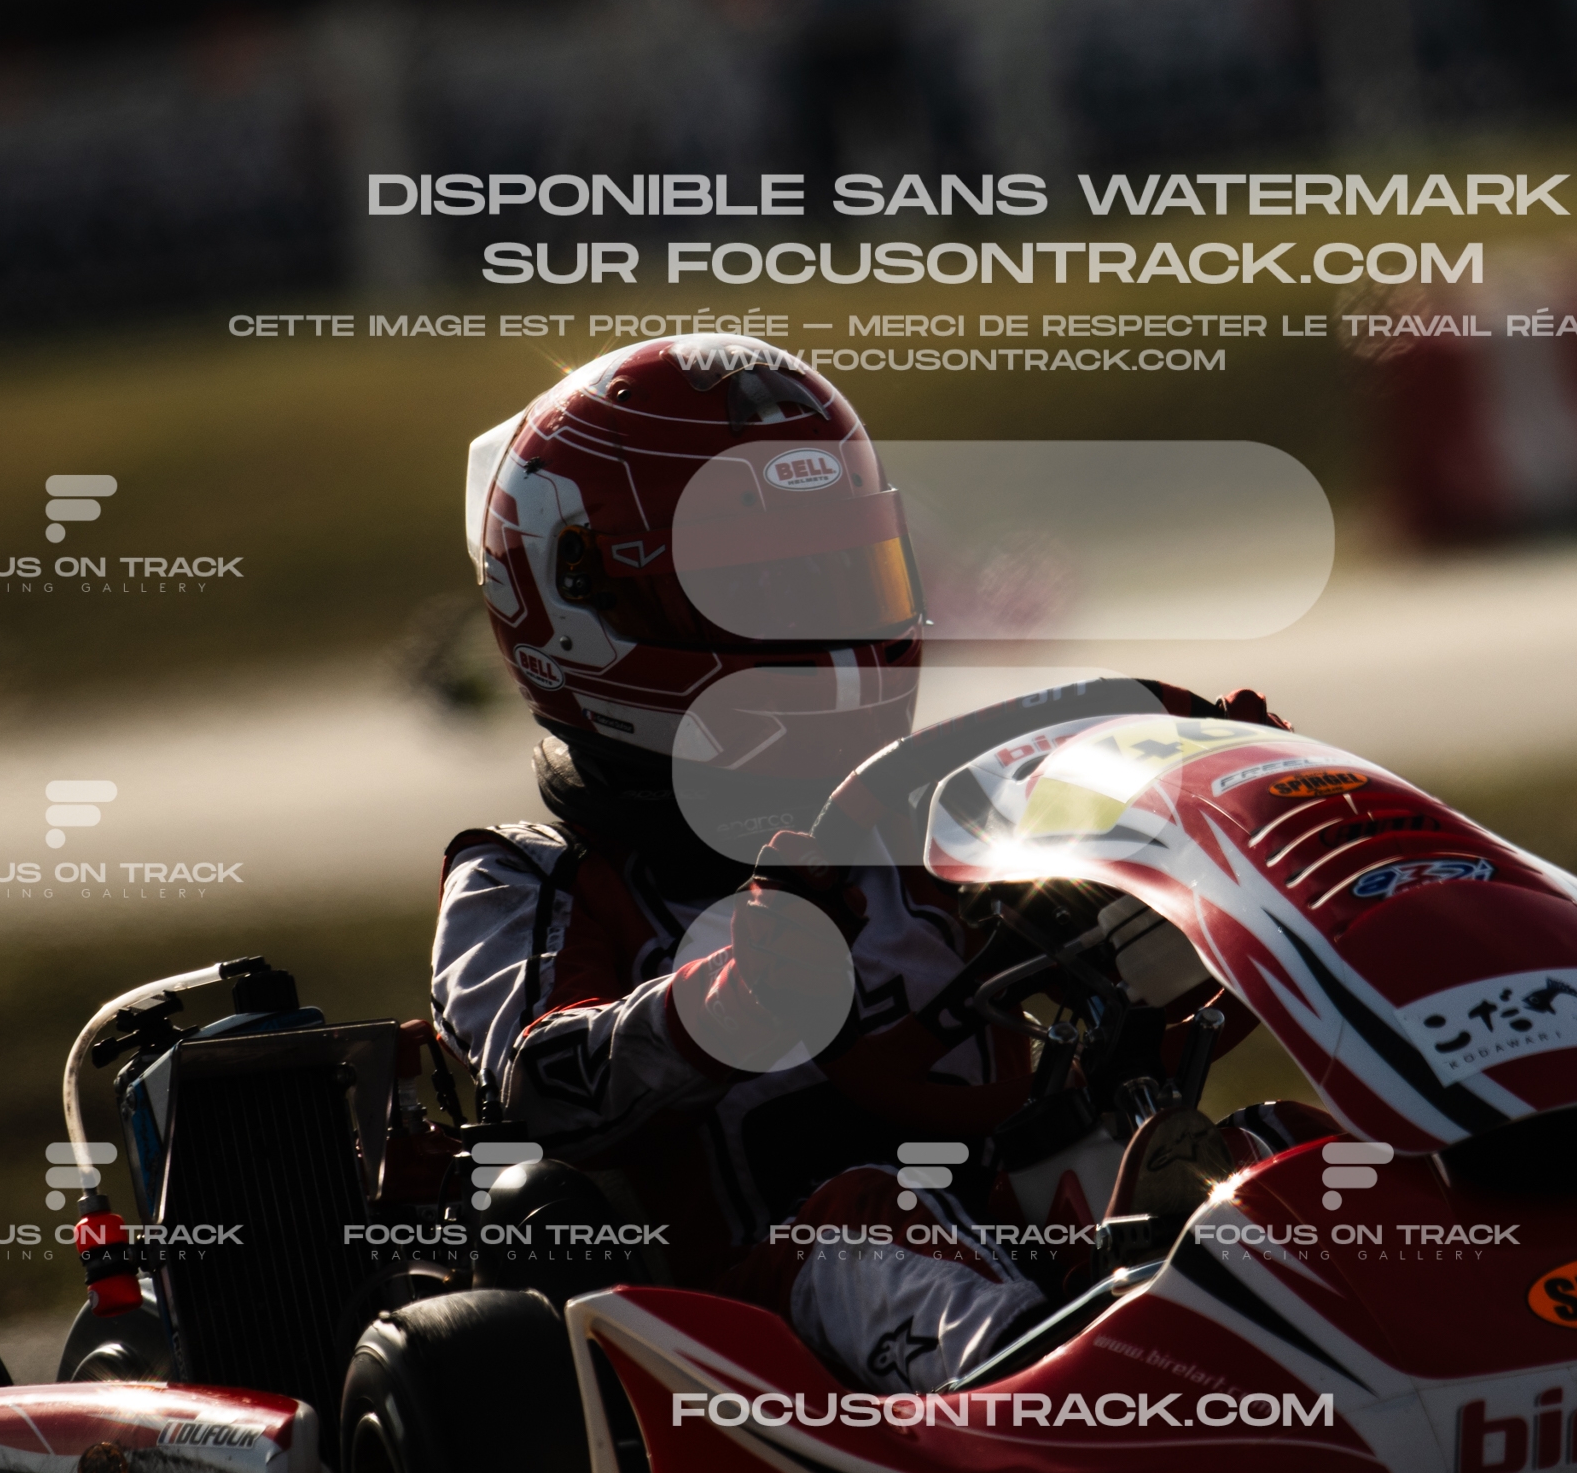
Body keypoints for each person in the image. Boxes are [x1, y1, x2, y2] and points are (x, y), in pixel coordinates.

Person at [427, 334, 1277, 1393]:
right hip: (738, 1330)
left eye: (838, 571)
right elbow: (543, 1091)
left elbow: (1128, 1000)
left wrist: (1219, 836)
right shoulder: (522, 880)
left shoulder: (923, 821)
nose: (823, 625)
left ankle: (1381, 1370)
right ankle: (1097, 1413)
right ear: (590, 611)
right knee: (869, 1226)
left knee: (1274, 1157)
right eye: (762, 588)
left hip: (1008, 1222)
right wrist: (722, 1007)